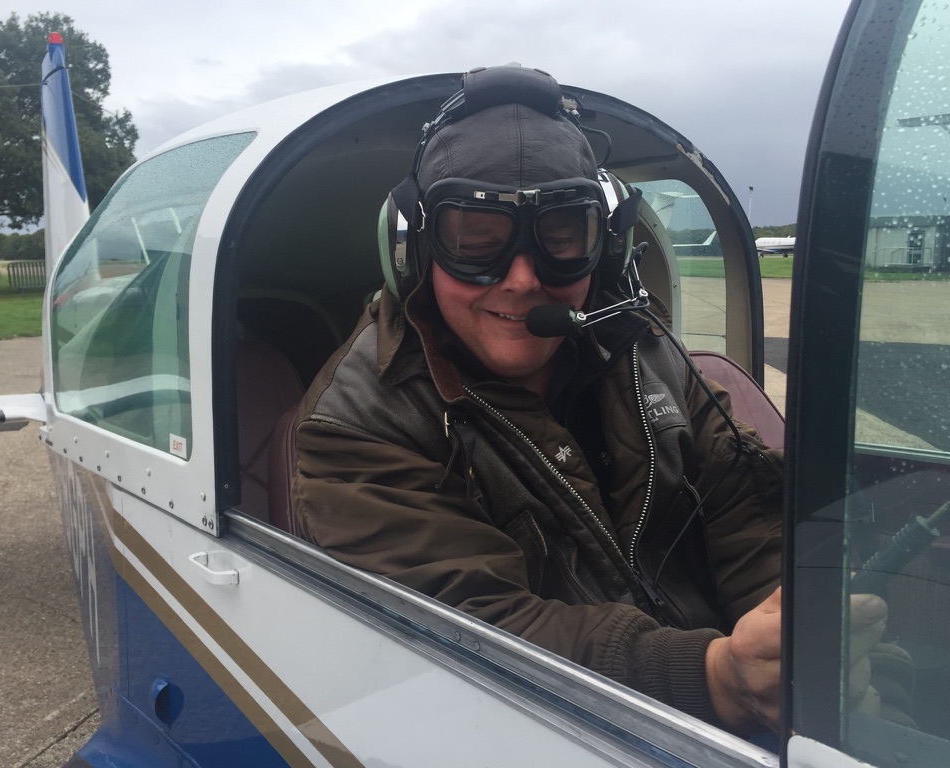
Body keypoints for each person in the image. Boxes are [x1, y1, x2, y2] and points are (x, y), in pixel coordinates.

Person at [291, 65, 892, 734]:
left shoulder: (644, 350)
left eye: (560, 238)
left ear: (602, 249)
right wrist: (714, 679)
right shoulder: (353, 427)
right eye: (477, 241)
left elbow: (743, 514)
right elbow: (475, 631)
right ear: (415, 251)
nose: (522, 279)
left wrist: (793, 641)